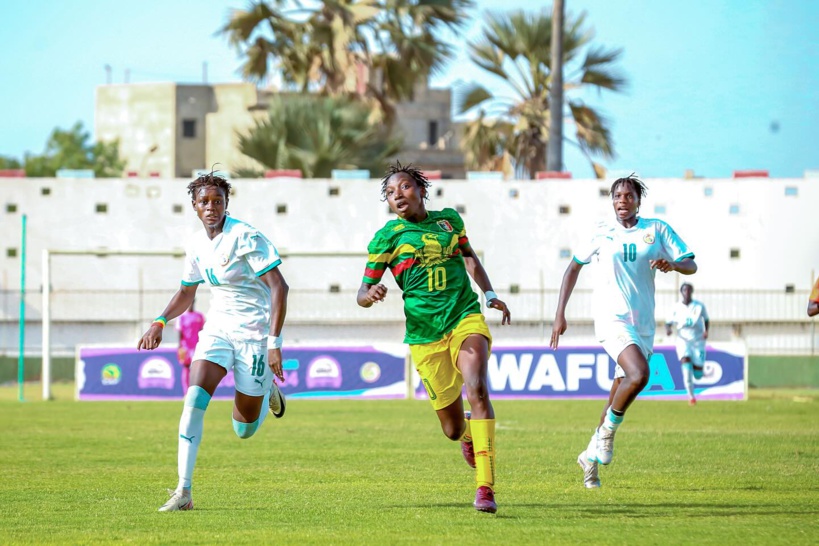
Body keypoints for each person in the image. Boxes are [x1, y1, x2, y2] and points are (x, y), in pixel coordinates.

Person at [356, 162, 511, 514]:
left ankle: (485, 488)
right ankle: (469, 434)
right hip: (424, 335)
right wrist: (371, 294)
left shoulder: (449, 222)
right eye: (391, 193)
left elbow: (470, 258)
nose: (399, 196)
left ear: (422, 190)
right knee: (452, 429)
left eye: (405, 188)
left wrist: (489, 295)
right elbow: (362, 292)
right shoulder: (387, 238)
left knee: (478, 387)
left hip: (464, 316)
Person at [138, 172, 289, 512]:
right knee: (193, 402)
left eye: (217, 201)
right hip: (217, 331)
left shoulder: (245, 236)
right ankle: (183, 492)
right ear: (194, 206)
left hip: (253, 336)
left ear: (226, 204)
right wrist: (160, 321)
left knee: (243, 430)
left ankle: (265, 392)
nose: (211, 207)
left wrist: (273, 343)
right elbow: (186, 291)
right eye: (204, 201)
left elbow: (280, 287)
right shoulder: (194, 245)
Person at [549, 174, 698, 489]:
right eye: (617, 196)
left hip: (643, 323)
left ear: (638, 201)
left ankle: (589, 458)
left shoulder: (656, 230)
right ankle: (606, 434)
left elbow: (691, 264)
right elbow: (573, 267)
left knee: (620, 389)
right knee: (640, 374)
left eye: (628, 196)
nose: (621, 202)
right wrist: (559, 313)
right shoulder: (602, 233)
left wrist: (673, 264)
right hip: (611, 318)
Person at [665, 283, 709, 405]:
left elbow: (706, 319)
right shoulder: (676, 307)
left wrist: (706, 331)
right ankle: (691, 396)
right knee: (686, 364)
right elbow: (668, 322)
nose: (687, 292)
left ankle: (698, 370)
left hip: (698, 340)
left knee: (698, 375)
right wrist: (668, 329)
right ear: (681, 292)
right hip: (683, 339)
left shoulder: (699, 306)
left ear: (691, 292)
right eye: (684, 290)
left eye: (689, 290)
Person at [176, 300, 206, 395]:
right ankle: (186, 392)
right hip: (185, 347)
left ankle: (196, 391)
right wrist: (180, 346)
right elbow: (180, 333)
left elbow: (203, 331)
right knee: (186, 368)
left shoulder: (199, 316)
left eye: (191, 302)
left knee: (197, 368)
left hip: (197, 346)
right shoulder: (182, 317)